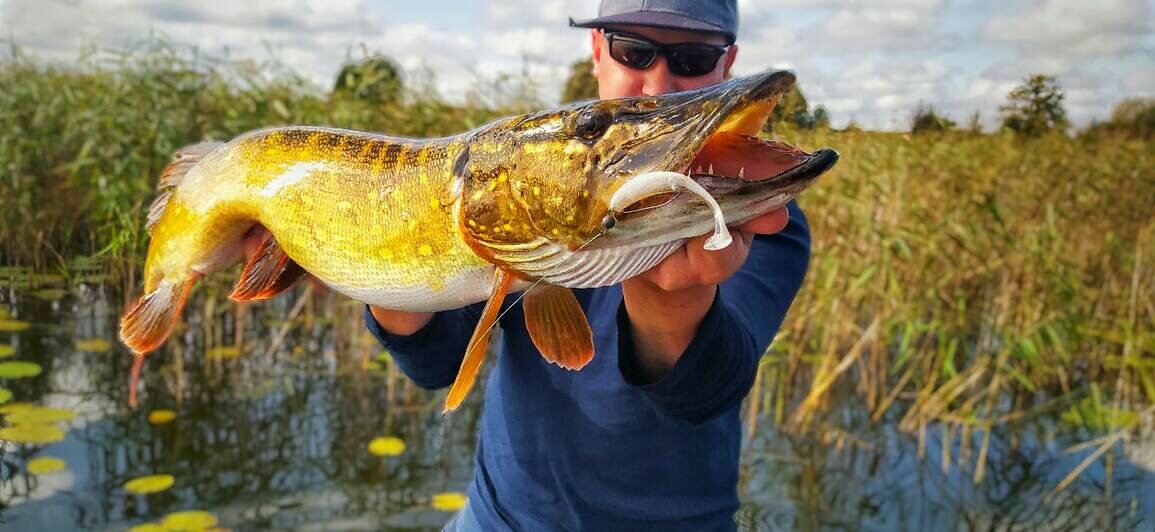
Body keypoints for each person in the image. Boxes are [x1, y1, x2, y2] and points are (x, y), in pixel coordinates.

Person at [366, 1, 811, 529]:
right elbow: (435, 361)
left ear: (727, 62)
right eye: (633, 51)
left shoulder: (762, 215)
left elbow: (703, 392)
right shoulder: (527, 182)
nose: (657, 86)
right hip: (498, 518)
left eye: (691, 58)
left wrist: (671, 299)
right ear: (598, 50)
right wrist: (377, 260)